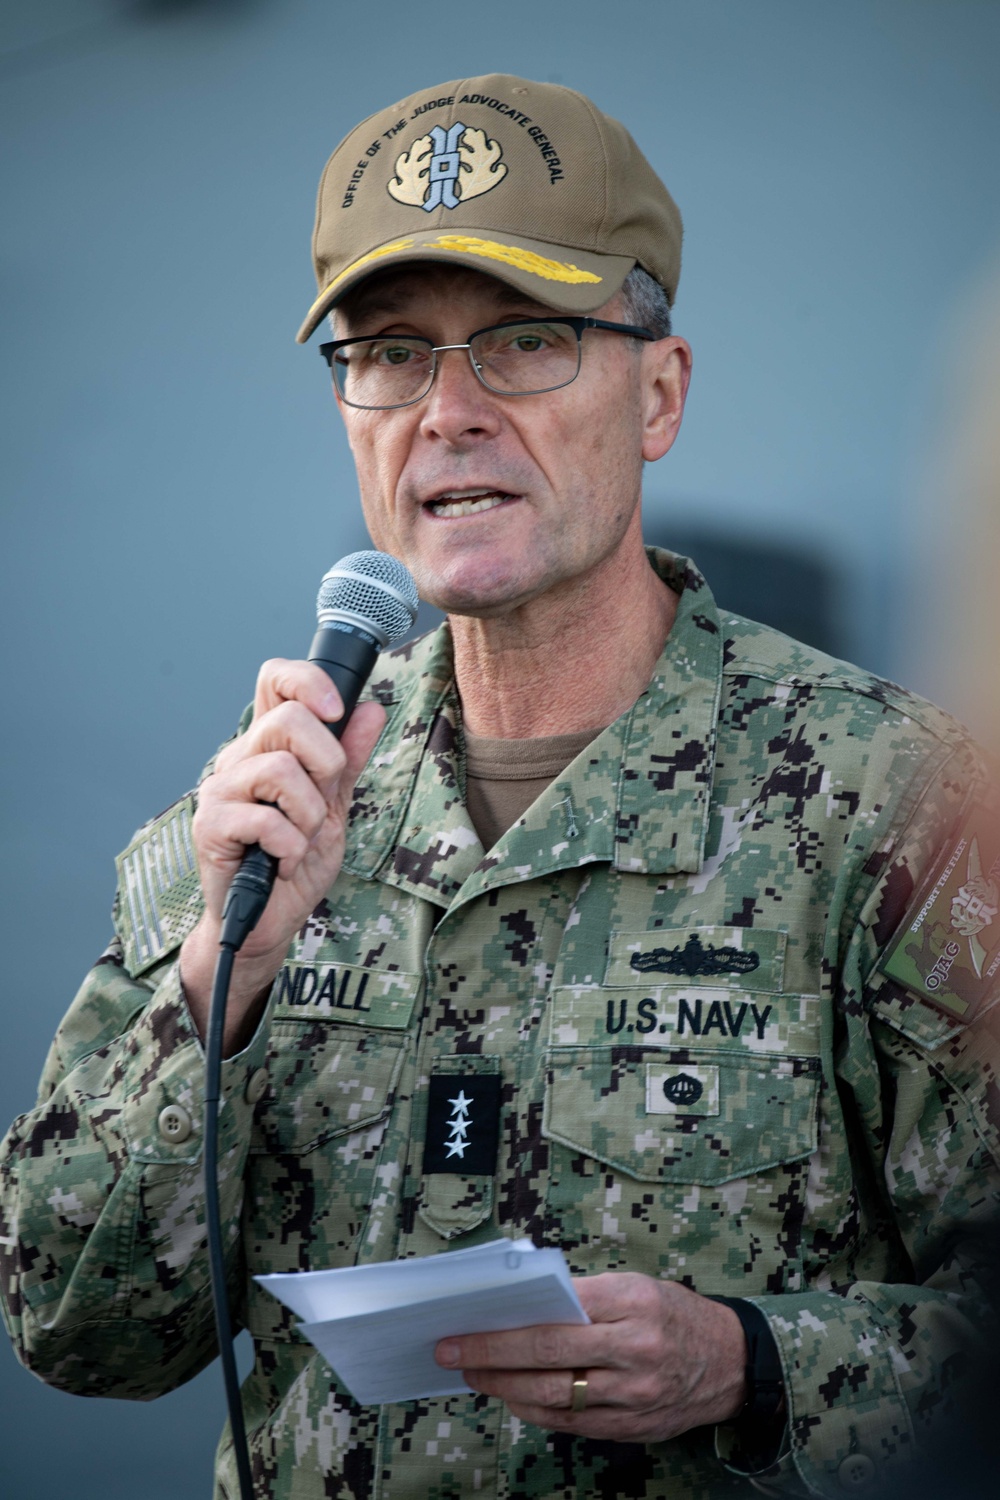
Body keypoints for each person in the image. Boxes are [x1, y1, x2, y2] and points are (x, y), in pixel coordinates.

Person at [2, 73, 999, 1500]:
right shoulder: (268, 808)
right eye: (391, 353)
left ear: (657, 394)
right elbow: (73, 1326)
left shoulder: (889, 802)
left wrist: (751, 1366)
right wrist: (218, 986)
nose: (447, 412)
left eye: (524, 342)